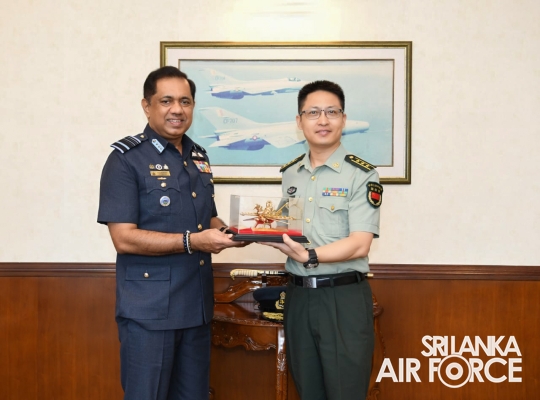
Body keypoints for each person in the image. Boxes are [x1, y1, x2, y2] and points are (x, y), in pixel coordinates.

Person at [97, 66, 245, 400]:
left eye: (185, 101)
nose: (177, 109)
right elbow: (123, 238)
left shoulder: (198, 156)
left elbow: (207, 218)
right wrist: (193, 241)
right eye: (166, 101)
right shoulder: (126, 160)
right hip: (149, 311)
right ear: (147, 106)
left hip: (196, 307)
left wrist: (234, 232)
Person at [263, 80, 383, 400]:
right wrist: (254, 232)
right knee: (308, 391)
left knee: (346, 393)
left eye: (332, 112)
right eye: (313, 112)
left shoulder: (362, 175)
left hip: (342, 298)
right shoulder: (291, 173)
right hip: (299, 297)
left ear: (343, 119)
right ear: (299, 121)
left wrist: (310, 256)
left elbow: (360, 243)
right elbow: (286, 229)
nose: (323, 120)